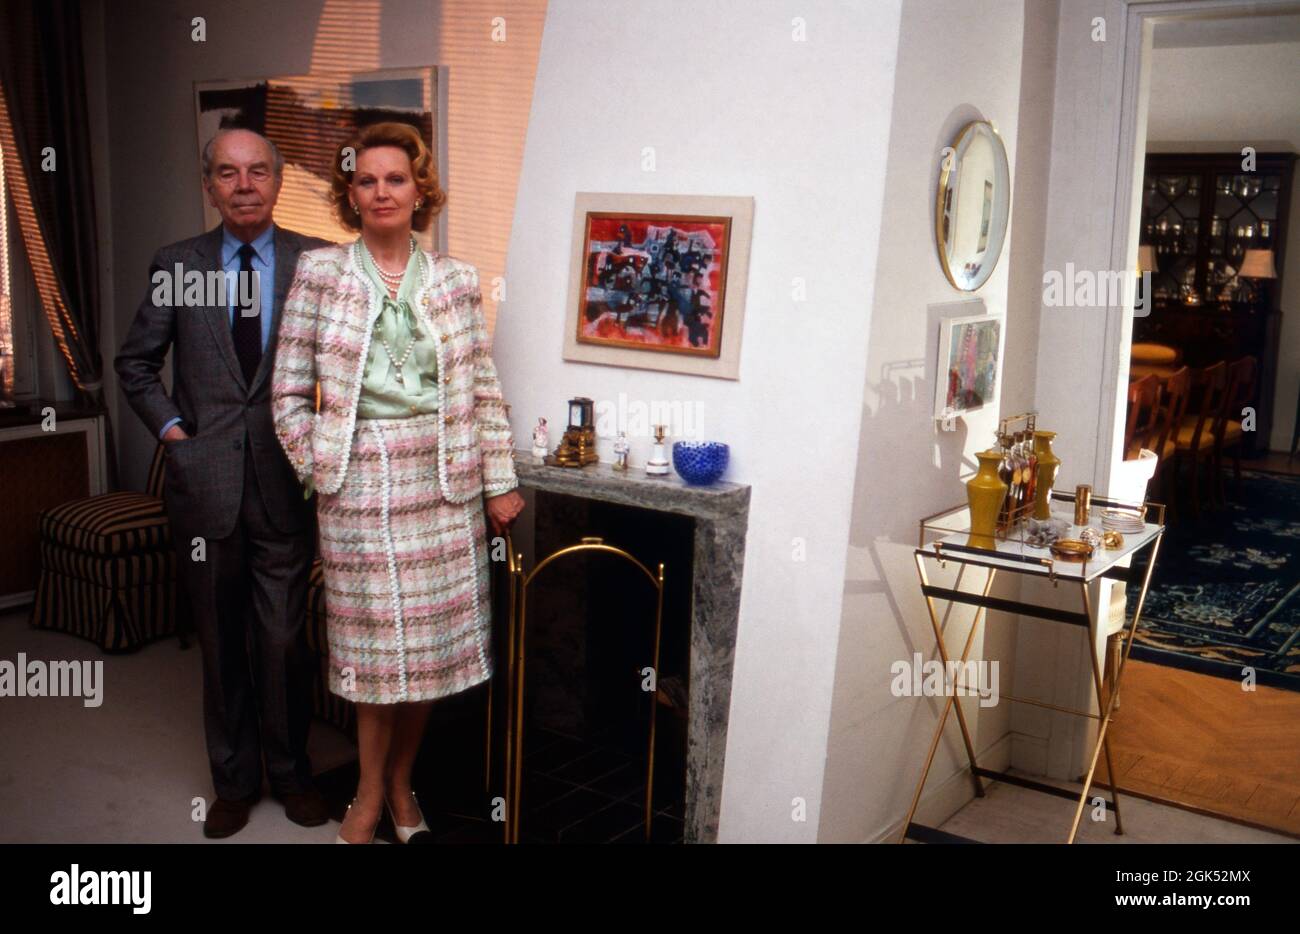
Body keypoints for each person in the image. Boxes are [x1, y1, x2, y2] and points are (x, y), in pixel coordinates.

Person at [271, 121, 526, 844]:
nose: (381, 192)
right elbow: (287, 394)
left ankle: (401, 788)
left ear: (420, 190)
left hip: (444, 482)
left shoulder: (457, 280)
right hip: (357, 487)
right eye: (366, 180)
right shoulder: (320, 274)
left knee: (432, 658)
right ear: (350, 194)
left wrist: (497, 482)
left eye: (396, 179)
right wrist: (319, 466)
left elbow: (482, 387)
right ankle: (365, 792)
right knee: (379, 655)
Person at [115, 128, 331, 838]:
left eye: (258, 171)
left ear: (277, 181)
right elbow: (136, 364)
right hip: (202, 488)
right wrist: (177, 435)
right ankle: (234, 784)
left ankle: (293, 773)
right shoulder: (178, 264)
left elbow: (346, 371)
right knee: (221, 642)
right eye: (228, 173)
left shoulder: (320, 264)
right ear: (208, 185)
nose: (244, 185)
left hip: (286, 483)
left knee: (283, 642)